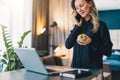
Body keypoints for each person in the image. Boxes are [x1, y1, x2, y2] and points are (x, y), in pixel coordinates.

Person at [65, 0, 113, 68]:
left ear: (90, 3)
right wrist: (77, 26)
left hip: (94, 72)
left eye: (81, 5)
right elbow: (68, 45)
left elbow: (108, 52)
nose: (80, 10)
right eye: (77, 8)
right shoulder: (78, 26)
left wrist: (91, 42)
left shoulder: (101, 25)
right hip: (76, 70)